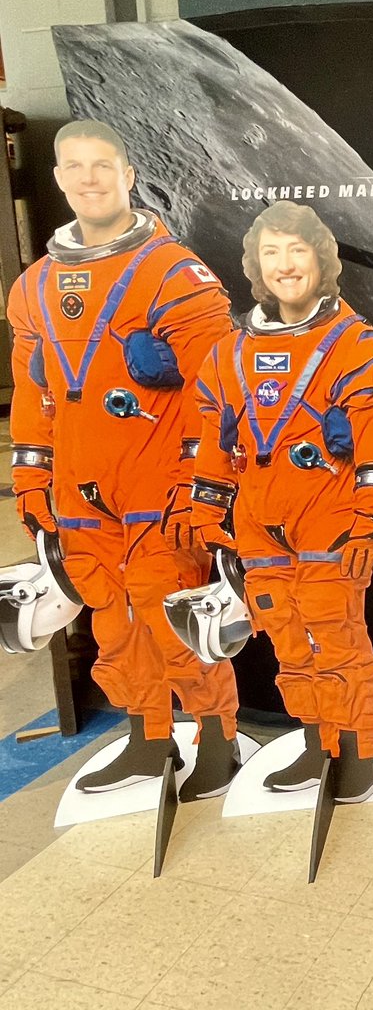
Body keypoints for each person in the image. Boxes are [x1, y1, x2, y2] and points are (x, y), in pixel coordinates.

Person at [6, 119, 240, 801]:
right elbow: (33, 395)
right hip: (79, 494)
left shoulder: (176, 273)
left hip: (159, 485)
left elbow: (221, 390)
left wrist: (207, 487)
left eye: (102, 165)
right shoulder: (34, 286)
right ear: (58, 179)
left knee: (175, 619)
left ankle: (217, 743)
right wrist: (31, 481)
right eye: (74, 167)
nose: (89, 178)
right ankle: (148, 742)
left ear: (128, 175)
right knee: (112, 622)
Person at [168, 200, 373, 803]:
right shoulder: (229, 352)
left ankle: (359, 755)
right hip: (258, 525)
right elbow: (212, 436)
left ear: (321, 260)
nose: (285, 265)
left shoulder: (355, 345)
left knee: (339, 640)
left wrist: (368, 521)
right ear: (256, 266)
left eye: (296, 250)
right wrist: (206, 514)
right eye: (270, 253)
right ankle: (314, 743)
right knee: (289, 641)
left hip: (329, 521)